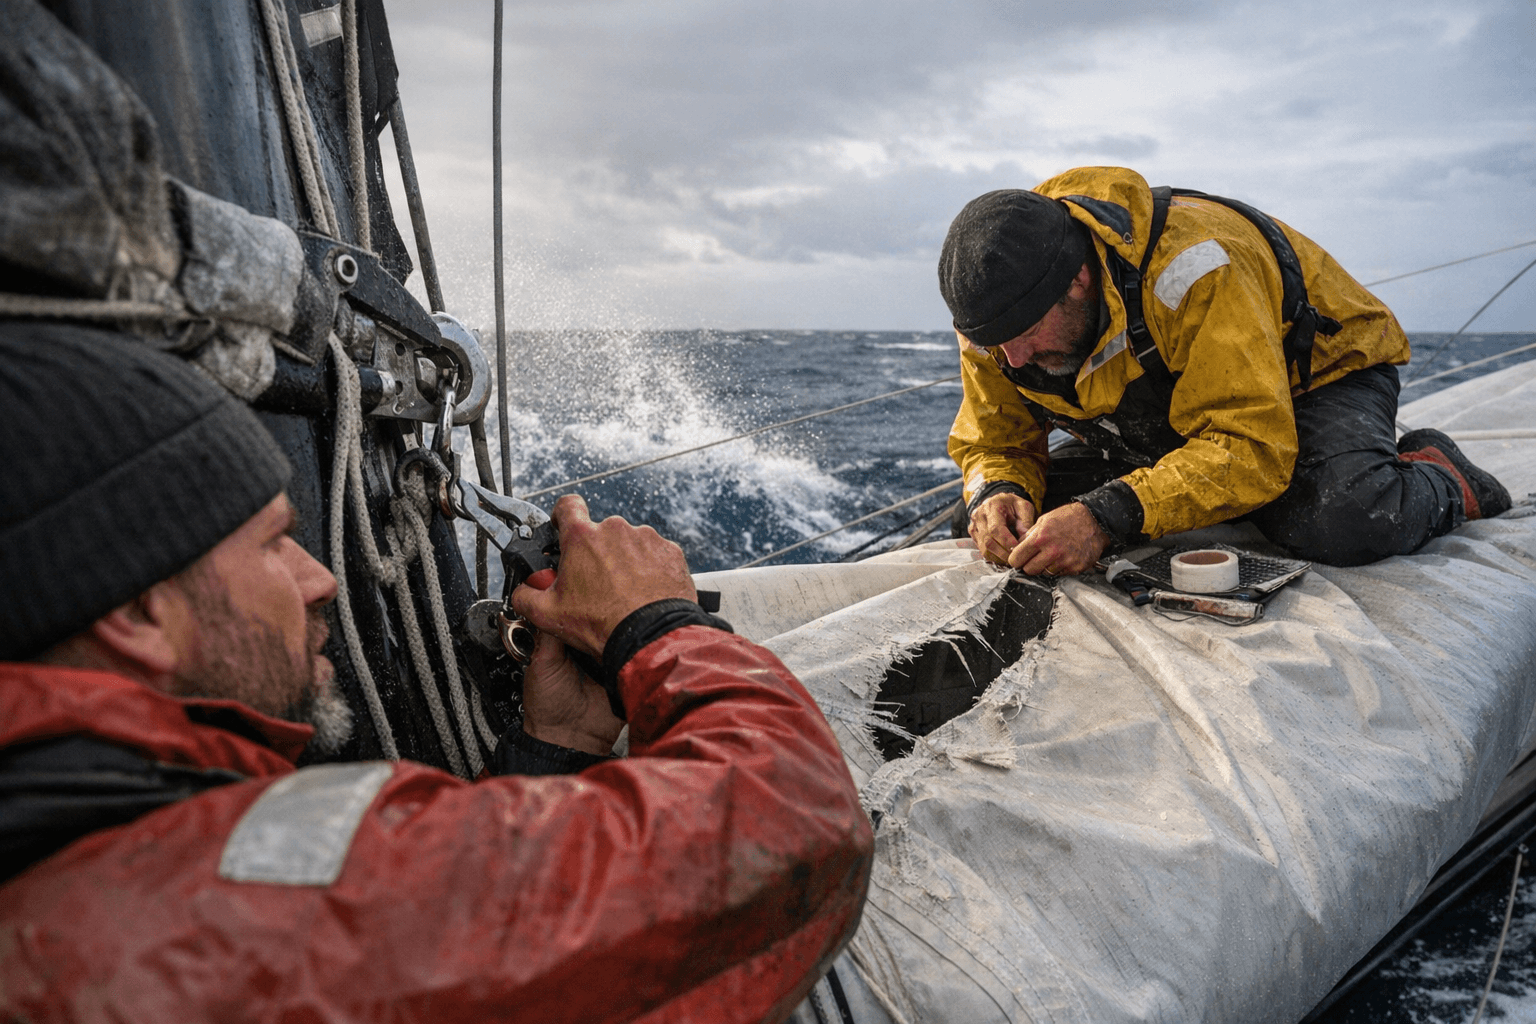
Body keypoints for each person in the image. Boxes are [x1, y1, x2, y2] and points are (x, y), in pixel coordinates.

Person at [0, 322, 873, 1022]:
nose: (321, 579)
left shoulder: (70, 865)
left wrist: (555, 748)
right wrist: (657, 624)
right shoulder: (204, 911)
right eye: (273, 545)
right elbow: (796, 820)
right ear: (138, 613)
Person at [940, 166, 1512, 574]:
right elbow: (995, 440)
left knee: (1342, 519)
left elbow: (1251, 445)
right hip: (1177, 417)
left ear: (1078, 281)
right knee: (1000, 523)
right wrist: (998, 489)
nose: (1012, 360)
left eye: (1025, 336)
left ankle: (1444, 476)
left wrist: (1103, 516)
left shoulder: (1198, 266)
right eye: (992, 344)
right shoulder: (999, 320)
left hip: (1315, 379)